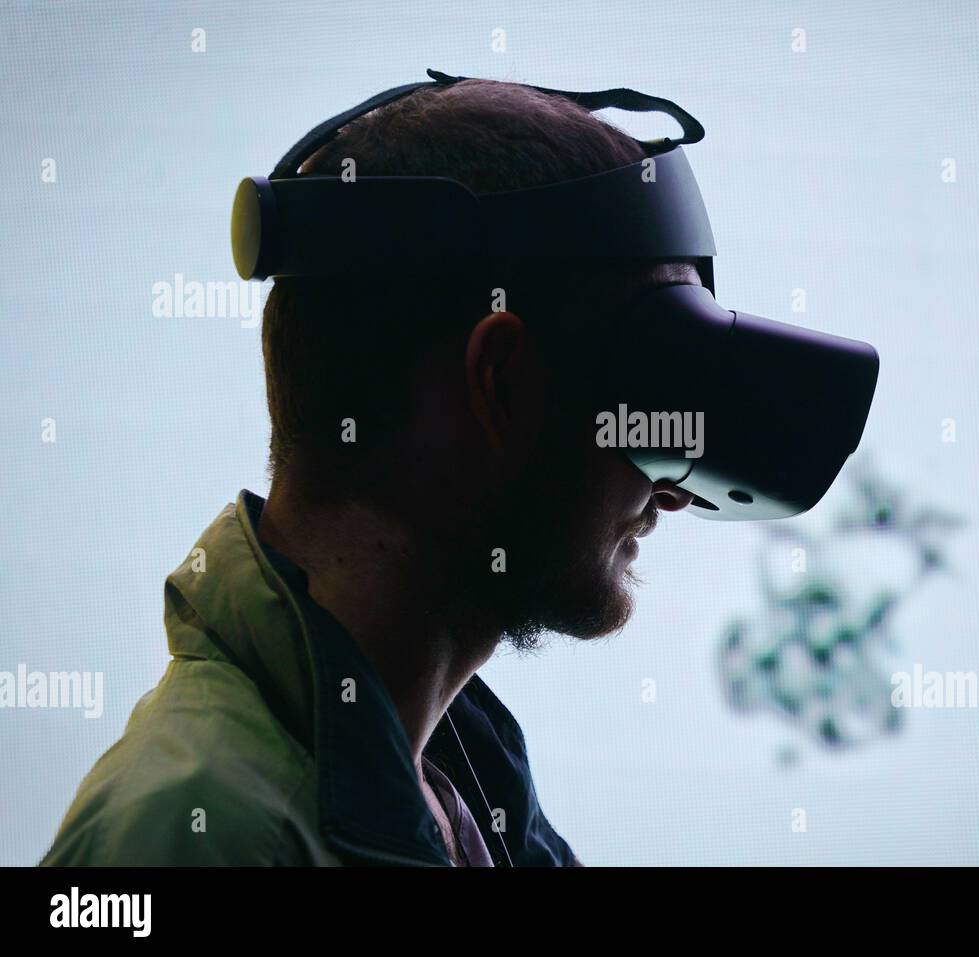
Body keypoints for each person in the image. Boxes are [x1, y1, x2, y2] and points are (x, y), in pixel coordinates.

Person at [41, 77, 700, 866]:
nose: (675, 489)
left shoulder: (464, 797)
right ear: (502, 385)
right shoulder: (190, 833)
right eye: (641, 395)